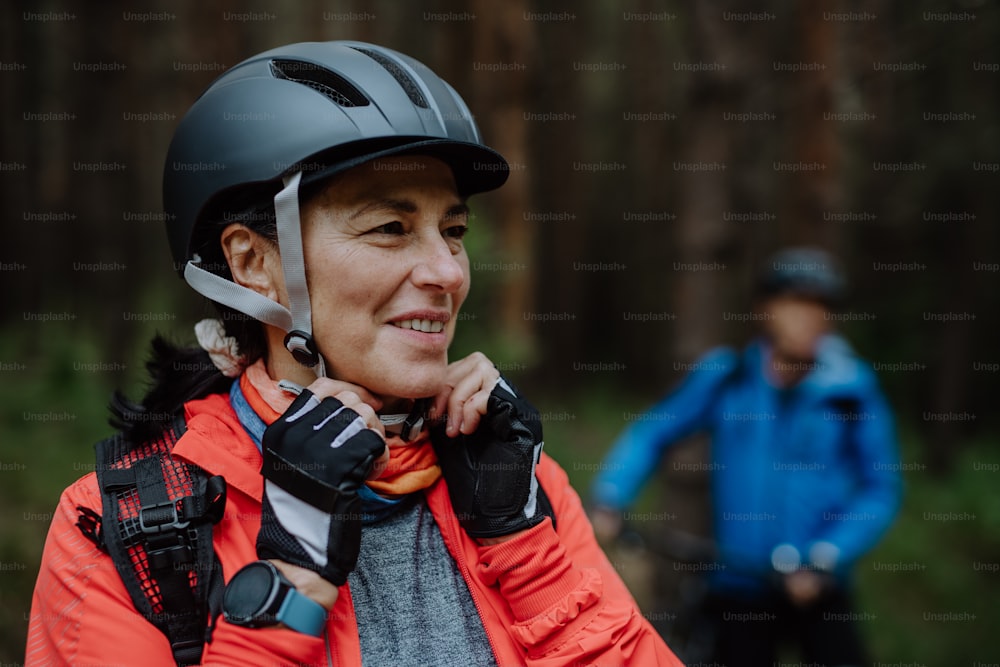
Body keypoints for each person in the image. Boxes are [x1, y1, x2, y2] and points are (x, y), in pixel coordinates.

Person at [25, 41, 682, 666]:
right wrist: (289, 580)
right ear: (253, 262)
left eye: (453, 231)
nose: (449, 272)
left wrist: (524, 548)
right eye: (390, 228)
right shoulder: (128, 529)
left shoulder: (518, 484)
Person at [590, 247, 902, 667]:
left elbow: (880, 489)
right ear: (764, 309)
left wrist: (828, 553)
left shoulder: (852, 391)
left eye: (821, 306)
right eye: (796, 303)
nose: (809, 318)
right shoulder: (727, 377)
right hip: (736, 582)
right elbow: (652, 432)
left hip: (819, 584)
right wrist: (611, 495)